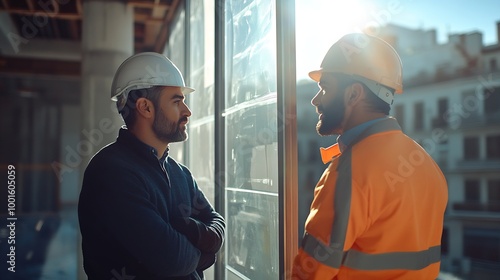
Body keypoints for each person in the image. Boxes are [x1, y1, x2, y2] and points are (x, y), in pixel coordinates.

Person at [292, 33, 448, 279]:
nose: (315, 100)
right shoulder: (426, 165)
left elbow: (308, 274)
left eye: (325, 88)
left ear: (353, 94)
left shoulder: (349, 172)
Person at [78, 52, 225, 280]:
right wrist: (203, 254)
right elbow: (171, 259)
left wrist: (196, 232)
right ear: (145, 108)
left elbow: (216, 220)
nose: (187, 112)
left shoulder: (180, 173)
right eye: (177, 101)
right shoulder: (110, 172)